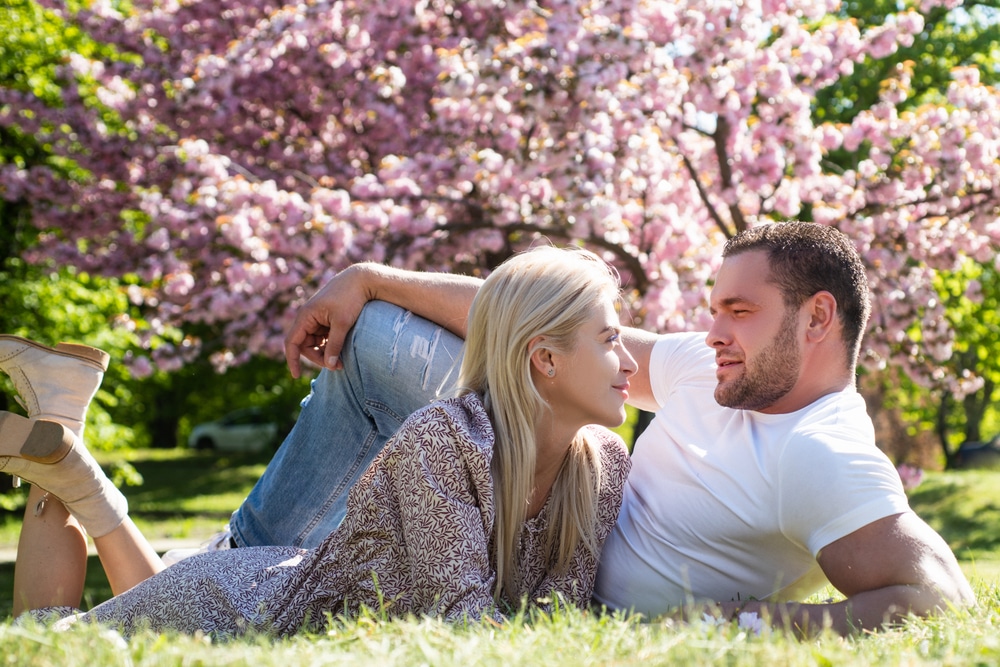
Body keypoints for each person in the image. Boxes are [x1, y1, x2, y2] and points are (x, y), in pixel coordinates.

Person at [211, 221, 972, 636]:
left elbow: (935, 594)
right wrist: (370, 278)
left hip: (550, 552)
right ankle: (248, 557)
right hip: (551, 497)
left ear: (818, 318)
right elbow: (536, 327)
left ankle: (244, 562)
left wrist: (751, 622)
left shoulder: (819, 453)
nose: (713, 330)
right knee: (375, 333)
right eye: (714, 308)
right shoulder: (716, 368)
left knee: (378, 359)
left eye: (739, 312)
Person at [0, 245, 634, 635]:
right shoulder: (443, 441)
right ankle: (70, 457)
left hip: (282, 588)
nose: (631, 362)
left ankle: (69, 452)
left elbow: (557, 620)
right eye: (611, 340)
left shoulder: (602, 464)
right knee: (50, 643)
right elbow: (463, 630)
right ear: (543, 359)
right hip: (240, 610)